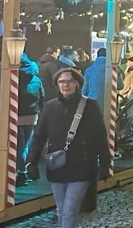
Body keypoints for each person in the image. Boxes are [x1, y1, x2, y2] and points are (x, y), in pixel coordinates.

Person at [26, 68, 110, 228]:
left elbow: (100, 136)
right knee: (61, 210)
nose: (66, 85)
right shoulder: (50, 107)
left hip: (82, 165)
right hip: (57, 165)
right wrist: (32, 162)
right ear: (57, 84)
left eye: (70, 81)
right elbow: (39, 136)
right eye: (61, 81)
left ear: (77, 83)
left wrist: (105, 163)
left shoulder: (90, 106)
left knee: (70, 209)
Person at [16, 52, 44, 186]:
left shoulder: (13, 77)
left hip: (16, 115)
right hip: (33, 115)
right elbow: (42, 98)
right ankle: (30, 169)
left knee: (20, 146)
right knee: (28, 144)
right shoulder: (36, 79)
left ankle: (21, 172)